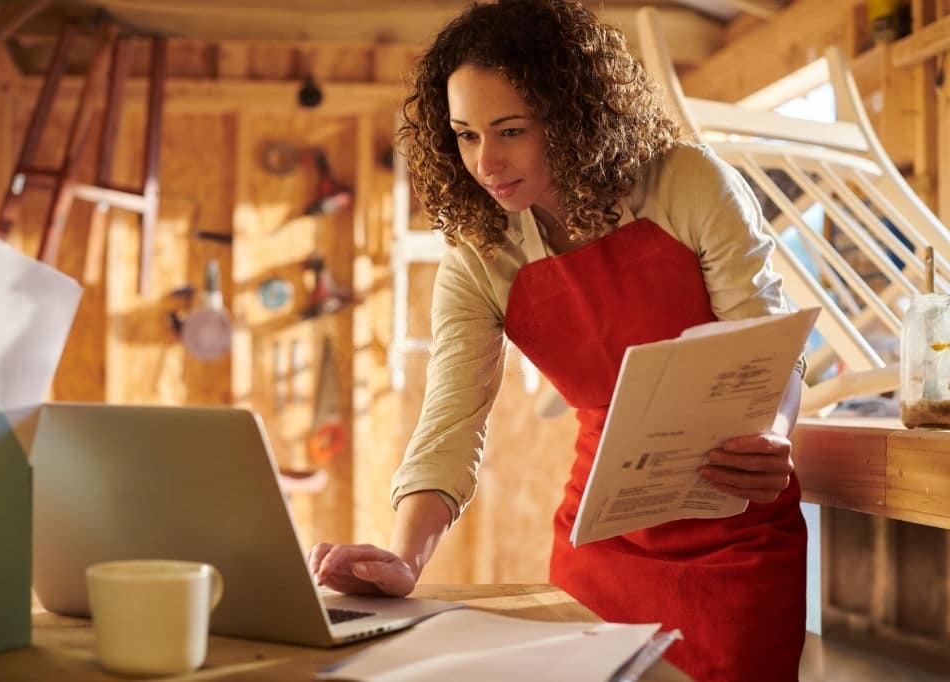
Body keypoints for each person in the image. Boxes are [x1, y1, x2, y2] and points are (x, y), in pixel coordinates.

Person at [310, 1, 807, 679]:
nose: (486, 162)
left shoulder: (687, 182)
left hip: (737, 528)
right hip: (601, 540)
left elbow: (769, 345)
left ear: (576, 118)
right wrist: (405, 559)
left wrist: (773, 431)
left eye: (510, 130)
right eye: (465, 135)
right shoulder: (479, 254)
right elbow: (450, 425)